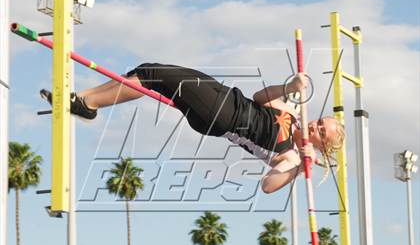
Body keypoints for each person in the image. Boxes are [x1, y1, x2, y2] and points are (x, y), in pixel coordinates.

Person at [40, 63, 345, 193]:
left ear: (321, 145)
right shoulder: (293, 110)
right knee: (149, 72)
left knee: (156, 74)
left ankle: (86, 103)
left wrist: (297, 168)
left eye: (321, 131)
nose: (316, 125)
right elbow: (261, 97)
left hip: (223, 117)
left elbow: (268, 186)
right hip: (227, 97)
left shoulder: (291, 156)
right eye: (321, 121)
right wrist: (289, 85)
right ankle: (85, 102)